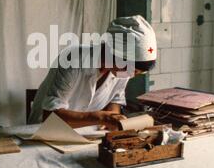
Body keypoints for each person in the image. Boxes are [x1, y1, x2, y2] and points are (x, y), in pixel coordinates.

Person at [28, 15, 157, 130]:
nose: (131, 75)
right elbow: (50, 116)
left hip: (86, 132)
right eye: (132, 70)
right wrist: (98, 118)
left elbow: (116, 98)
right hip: (44, 132)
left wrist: (113, 117)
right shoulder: (73, 59)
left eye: (138, 73)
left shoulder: (124, 70)